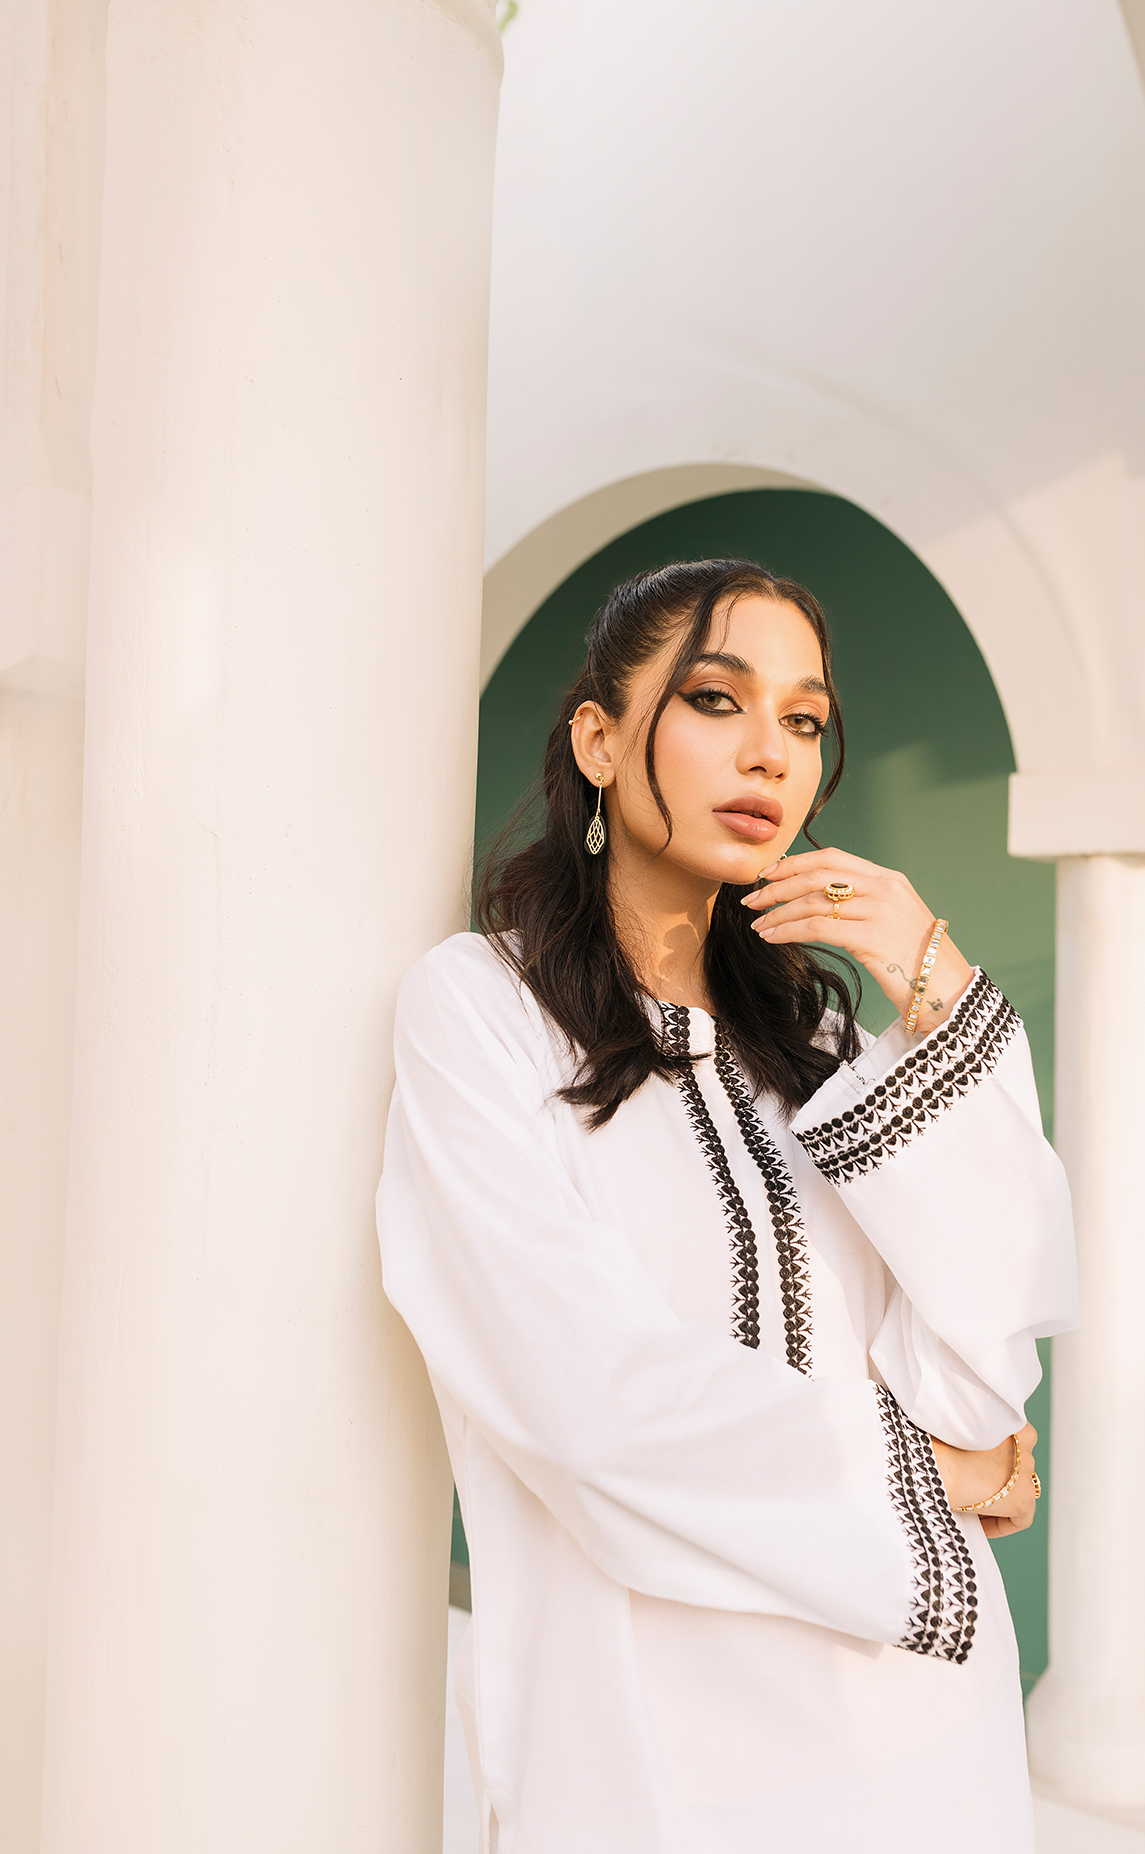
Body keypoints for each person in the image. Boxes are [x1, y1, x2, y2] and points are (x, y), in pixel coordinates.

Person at [377, 559, 1078, 1853]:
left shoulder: (823, 1045)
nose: (770, 753)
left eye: (805, 720)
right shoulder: (480, 1013)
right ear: (598, 739)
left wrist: (931, 977)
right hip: (653, 1744)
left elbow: (982, 1365)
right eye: (716, 699)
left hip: (918, 1738)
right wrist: (928, 1477)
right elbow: (590, 1401)